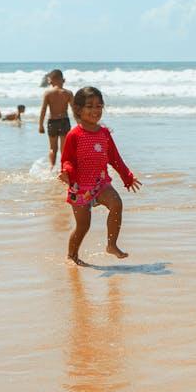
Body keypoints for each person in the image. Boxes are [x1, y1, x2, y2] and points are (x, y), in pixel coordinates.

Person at [59, 87, 141, 265]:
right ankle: (72, 256)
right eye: (90, 106)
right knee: (83, 226)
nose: (95, 110)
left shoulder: (104, 134)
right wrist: (66, 172)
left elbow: (115, 158)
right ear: (78, 109)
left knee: (117, 203)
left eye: (99, 106)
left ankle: (111, 244)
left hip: (100, 183)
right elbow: (67, 160)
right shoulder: (74, 135)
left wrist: (127, 177)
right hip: (79, 187)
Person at [39, 69, 73, 168]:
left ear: (52, 80)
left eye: (49, 80)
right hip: (64, 121)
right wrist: (80, 122)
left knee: (53, 148)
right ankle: (63, 169)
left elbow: (43, 110)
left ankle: (51, 168)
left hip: (52, 122)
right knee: (64, 148)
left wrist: (40, 125)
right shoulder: (68, 93)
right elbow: (74, 109)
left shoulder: (48, 93)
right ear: (63, 80)